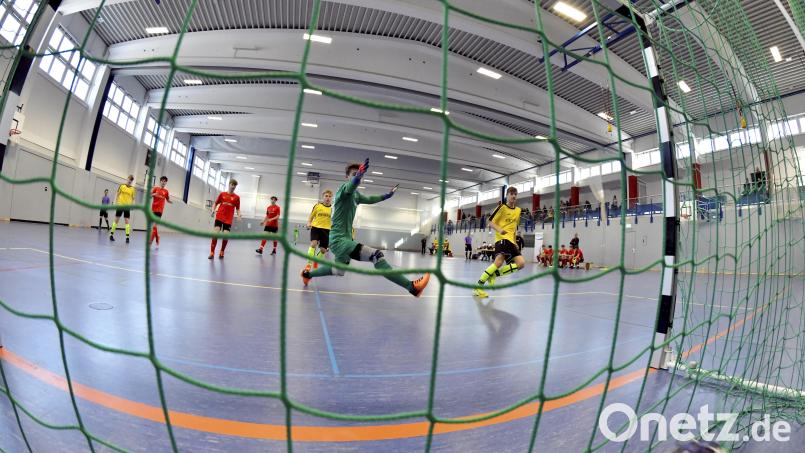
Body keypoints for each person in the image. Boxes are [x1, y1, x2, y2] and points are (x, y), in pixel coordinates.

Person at [301, 159, 430, 297]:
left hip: (344, 239)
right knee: (376, 256)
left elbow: (370, 199)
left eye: (360, 174)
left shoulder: (356, 195)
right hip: (339, 241)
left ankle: (307, 274)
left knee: (339, 270)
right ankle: (412, 287)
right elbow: (351, 186)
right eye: (354, 174)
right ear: (347, 177)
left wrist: (386, 195)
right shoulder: (342, 191)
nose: (359, 176)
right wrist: (358, 176)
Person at [473, 186, 525, 299]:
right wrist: (500, 229)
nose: (514, 196)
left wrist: (515, 241)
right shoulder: (501, 207)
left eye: (515, 194)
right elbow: (489, 222)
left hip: (511, 240)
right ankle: (478, 287)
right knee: (498, 263)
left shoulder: (518, 210)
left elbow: (514, 227)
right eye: (511, 194)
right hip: (501, 238)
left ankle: (494, 274)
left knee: (521, 264)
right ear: (507, 195)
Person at [209, 179, 241, 259]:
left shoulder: (237, 197)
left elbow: (238, 208)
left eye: (235, 185)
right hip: (219, 217)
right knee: (215, 234)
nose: (233, 187)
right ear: (229, 184)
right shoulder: (222, 194)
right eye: (232, 185)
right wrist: (213, 210)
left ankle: (222, 251)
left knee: (226, 236)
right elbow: (215, 203)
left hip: (228, 219)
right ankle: (212, 252)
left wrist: (239, 215)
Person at [304, 190, 332, 270]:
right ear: (323, 197)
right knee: (313, 244)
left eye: (329, 196)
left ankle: (316, 261)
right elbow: (311, 216)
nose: (328, 198)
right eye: (326, 196)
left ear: (331, 198)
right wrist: (309, 223)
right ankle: (309, 264)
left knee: (323, 250)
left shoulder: (333, 209)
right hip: (316, 227)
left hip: (326, 230)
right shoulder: (317, 206)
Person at [109, 175, 136, 243]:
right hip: (120, 205)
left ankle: (127, 237)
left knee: (127, 221)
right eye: (129, 179)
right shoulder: (122, 186)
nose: (130, 181)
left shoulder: (133, 189)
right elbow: (117, 194)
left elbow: (133, 198)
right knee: (116, 220)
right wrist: (114, 202)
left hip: (127, 207)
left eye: (131, 180)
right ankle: (111, 235)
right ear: (127, 179)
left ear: (132, 181)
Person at [149, 176, 172, 247]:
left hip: (160, 211)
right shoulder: (155, 188)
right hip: (153, 209)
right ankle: (157, 237)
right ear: (160, 181)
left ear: (166, 183)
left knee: (155, 226)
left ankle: (150, 241)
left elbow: (167, 199)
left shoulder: (166, 191)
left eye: (165, 181)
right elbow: (149, 196)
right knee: (153, 227)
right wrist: (154, 194)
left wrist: (169, 201)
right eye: (162, 181)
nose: (163, 182)